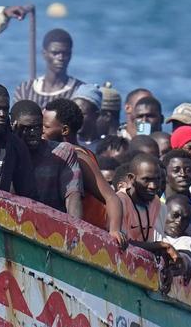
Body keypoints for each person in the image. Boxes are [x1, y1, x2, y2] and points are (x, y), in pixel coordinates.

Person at [43, 98, 127, 246]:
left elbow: (111, 198)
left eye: (45, 126)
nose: (40, 130)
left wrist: (114, 231)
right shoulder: (51, 152)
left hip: (88, 236)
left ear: (64, 130)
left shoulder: (80, 158)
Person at [11, 100, 82, 217]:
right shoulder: (4, 152)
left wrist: (76, 230)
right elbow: (7, 195)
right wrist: (14, 147)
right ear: (13, 127)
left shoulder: (62, 152)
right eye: (26, 128)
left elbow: (73, 196)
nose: (33, 133)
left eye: (38, 127)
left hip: (52, 226)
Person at [14, 29, 85, 106]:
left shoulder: (80, 92)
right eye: (55, 53)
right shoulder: (25, 90)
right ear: (44, 54)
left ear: (70, 55)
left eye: (65, 53)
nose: (60, 58)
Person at [115, 152, 163, 244]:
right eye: (146, 179)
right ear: (131, 178)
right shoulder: (120, 201)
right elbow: (122, 243)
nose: (153, 186)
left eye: (157, 179)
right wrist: (159, 246)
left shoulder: (155, 201)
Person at [72, 83, 104, 152]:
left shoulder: (103, 148)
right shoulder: (64, 143)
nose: (76, 118)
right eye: (73, 112)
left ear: (97, 115)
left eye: (82, 114)